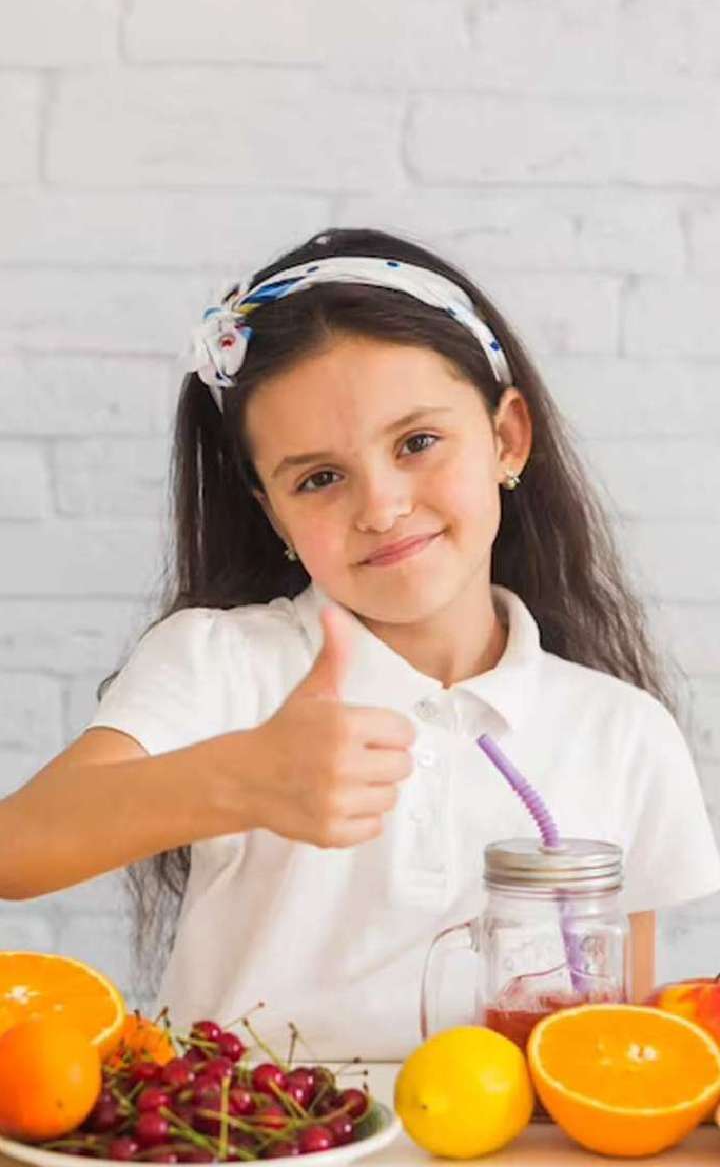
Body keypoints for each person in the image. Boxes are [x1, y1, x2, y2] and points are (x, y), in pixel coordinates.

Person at [3, 227, 719, 1062]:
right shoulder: (221, 663)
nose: (380, 507)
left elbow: (611, 1052)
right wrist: (238, 779)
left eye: (417, 443)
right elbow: (17, 850)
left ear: (507, 438)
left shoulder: (622, 731)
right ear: (272, 513)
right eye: (319, 478)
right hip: (243, 1129)